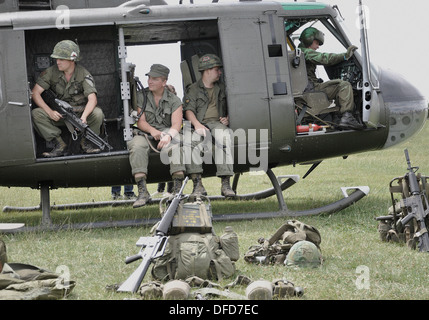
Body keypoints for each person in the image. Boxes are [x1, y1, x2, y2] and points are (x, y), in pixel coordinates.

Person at [31, 40, 105, 157]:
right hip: (58, 114)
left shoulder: (83, 74)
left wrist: (83, 118)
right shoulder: (51, 72)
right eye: (57, 59)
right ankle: (59, 144)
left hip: (79, 113)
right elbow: (35, 93)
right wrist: (50, 112)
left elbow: (92, 99)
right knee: (36, 113)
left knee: (98, 113)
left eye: (61, 59)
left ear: (72, 60)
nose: (57, 62)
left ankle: (85, 144)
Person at [127, 64, 185, 208]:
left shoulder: (174, 100)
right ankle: (142, 192)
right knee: (137, 147)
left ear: (164, 82)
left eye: (155, 79)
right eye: (149, 78)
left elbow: (176, 125)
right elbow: (141, 121)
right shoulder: (141, 96)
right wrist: (153, 132)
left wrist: (168, 137)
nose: (150, 81)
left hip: (168, 134)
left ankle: (177, 193)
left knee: (175, 148)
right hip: (146, 133)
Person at [183, 54, 235, 197]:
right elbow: (188, 111)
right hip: (198, 124)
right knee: (191, 142)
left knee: (224, 138)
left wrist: (229, 118)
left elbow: (234, 106)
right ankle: (197, 184)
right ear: (207, 70)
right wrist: (197, 125)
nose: (220, 72)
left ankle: (226, 184)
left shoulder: (223, 88)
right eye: (217, 69)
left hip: (217, 123)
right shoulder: (193, 89)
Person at [298, 27, 363, 130]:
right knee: (343, 85)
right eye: (317, 43)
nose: (318, 47)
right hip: (311, 90)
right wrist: (345, 56)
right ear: (309, 40)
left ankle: (338, 119)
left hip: (307, 88)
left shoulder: (299, 52)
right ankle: (347, 117)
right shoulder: (305, 52)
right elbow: (324, 58)